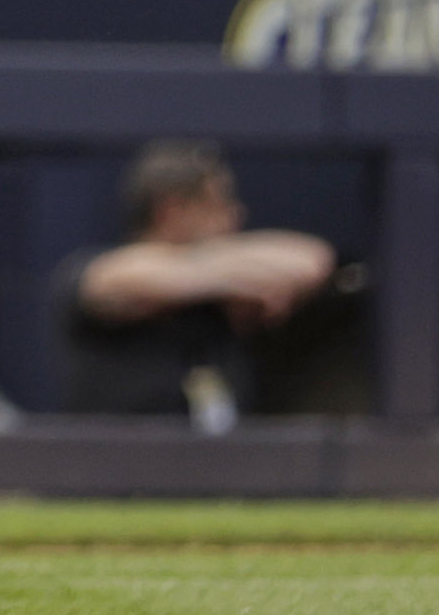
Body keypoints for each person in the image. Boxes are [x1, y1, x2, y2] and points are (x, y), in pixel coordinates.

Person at [62, 144, 355, 421]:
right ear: (173, 210)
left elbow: (312, 262)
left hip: (223, 465)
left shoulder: (216, 299)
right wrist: (239, 278)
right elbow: (119, 282)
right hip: (122, 468)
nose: (237, 214)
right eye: (220, 202)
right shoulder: (95, 268)